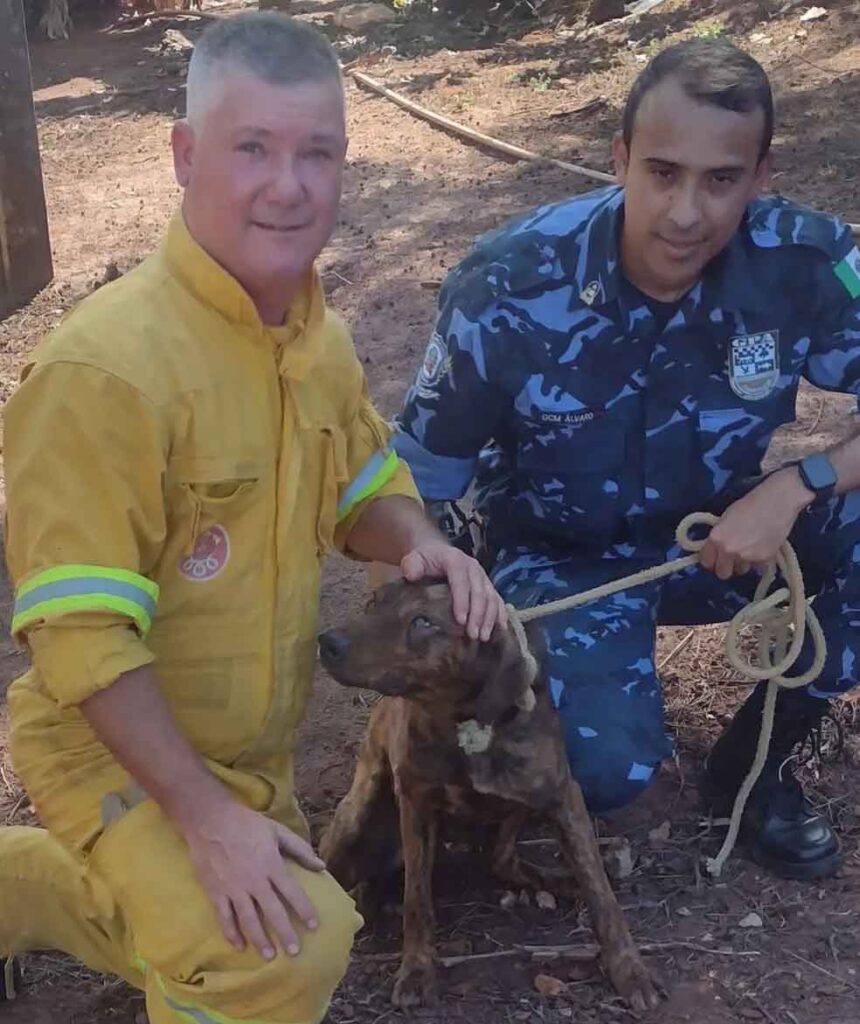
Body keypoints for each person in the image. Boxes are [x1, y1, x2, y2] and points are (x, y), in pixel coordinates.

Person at [0, 12, 505, 1023]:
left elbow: (364, 490)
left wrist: (425, 545)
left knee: (265, 914)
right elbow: (82, 636)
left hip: (246, 755)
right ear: (185, 154)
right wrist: (201, 816)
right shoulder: (107, 369)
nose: (290, 185)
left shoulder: (316, 341)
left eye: (316, 152)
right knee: (278, 953)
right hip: (108, 754)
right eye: (253, 149)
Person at [393, 37, 860, 882]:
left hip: (720, 537)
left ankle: (757, 765)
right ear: (620, 160)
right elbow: (418, 484)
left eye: (722, 180)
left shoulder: (806, 260)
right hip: (557, 564)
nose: (687, 212)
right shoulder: (509, 282)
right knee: (605, 775)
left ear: (760, 175)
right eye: (662, 172)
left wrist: (801, 483)